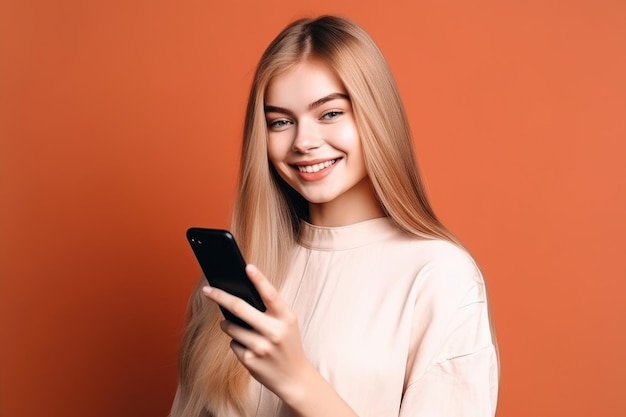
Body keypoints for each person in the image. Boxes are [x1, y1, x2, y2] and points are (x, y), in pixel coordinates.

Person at [170, 15, 499, 417]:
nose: (303, 142)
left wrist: (297, 380)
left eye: (329, 114)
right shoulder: (230, 280)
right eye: (281, 122)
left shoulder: (437, 276)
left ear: (375, 116)